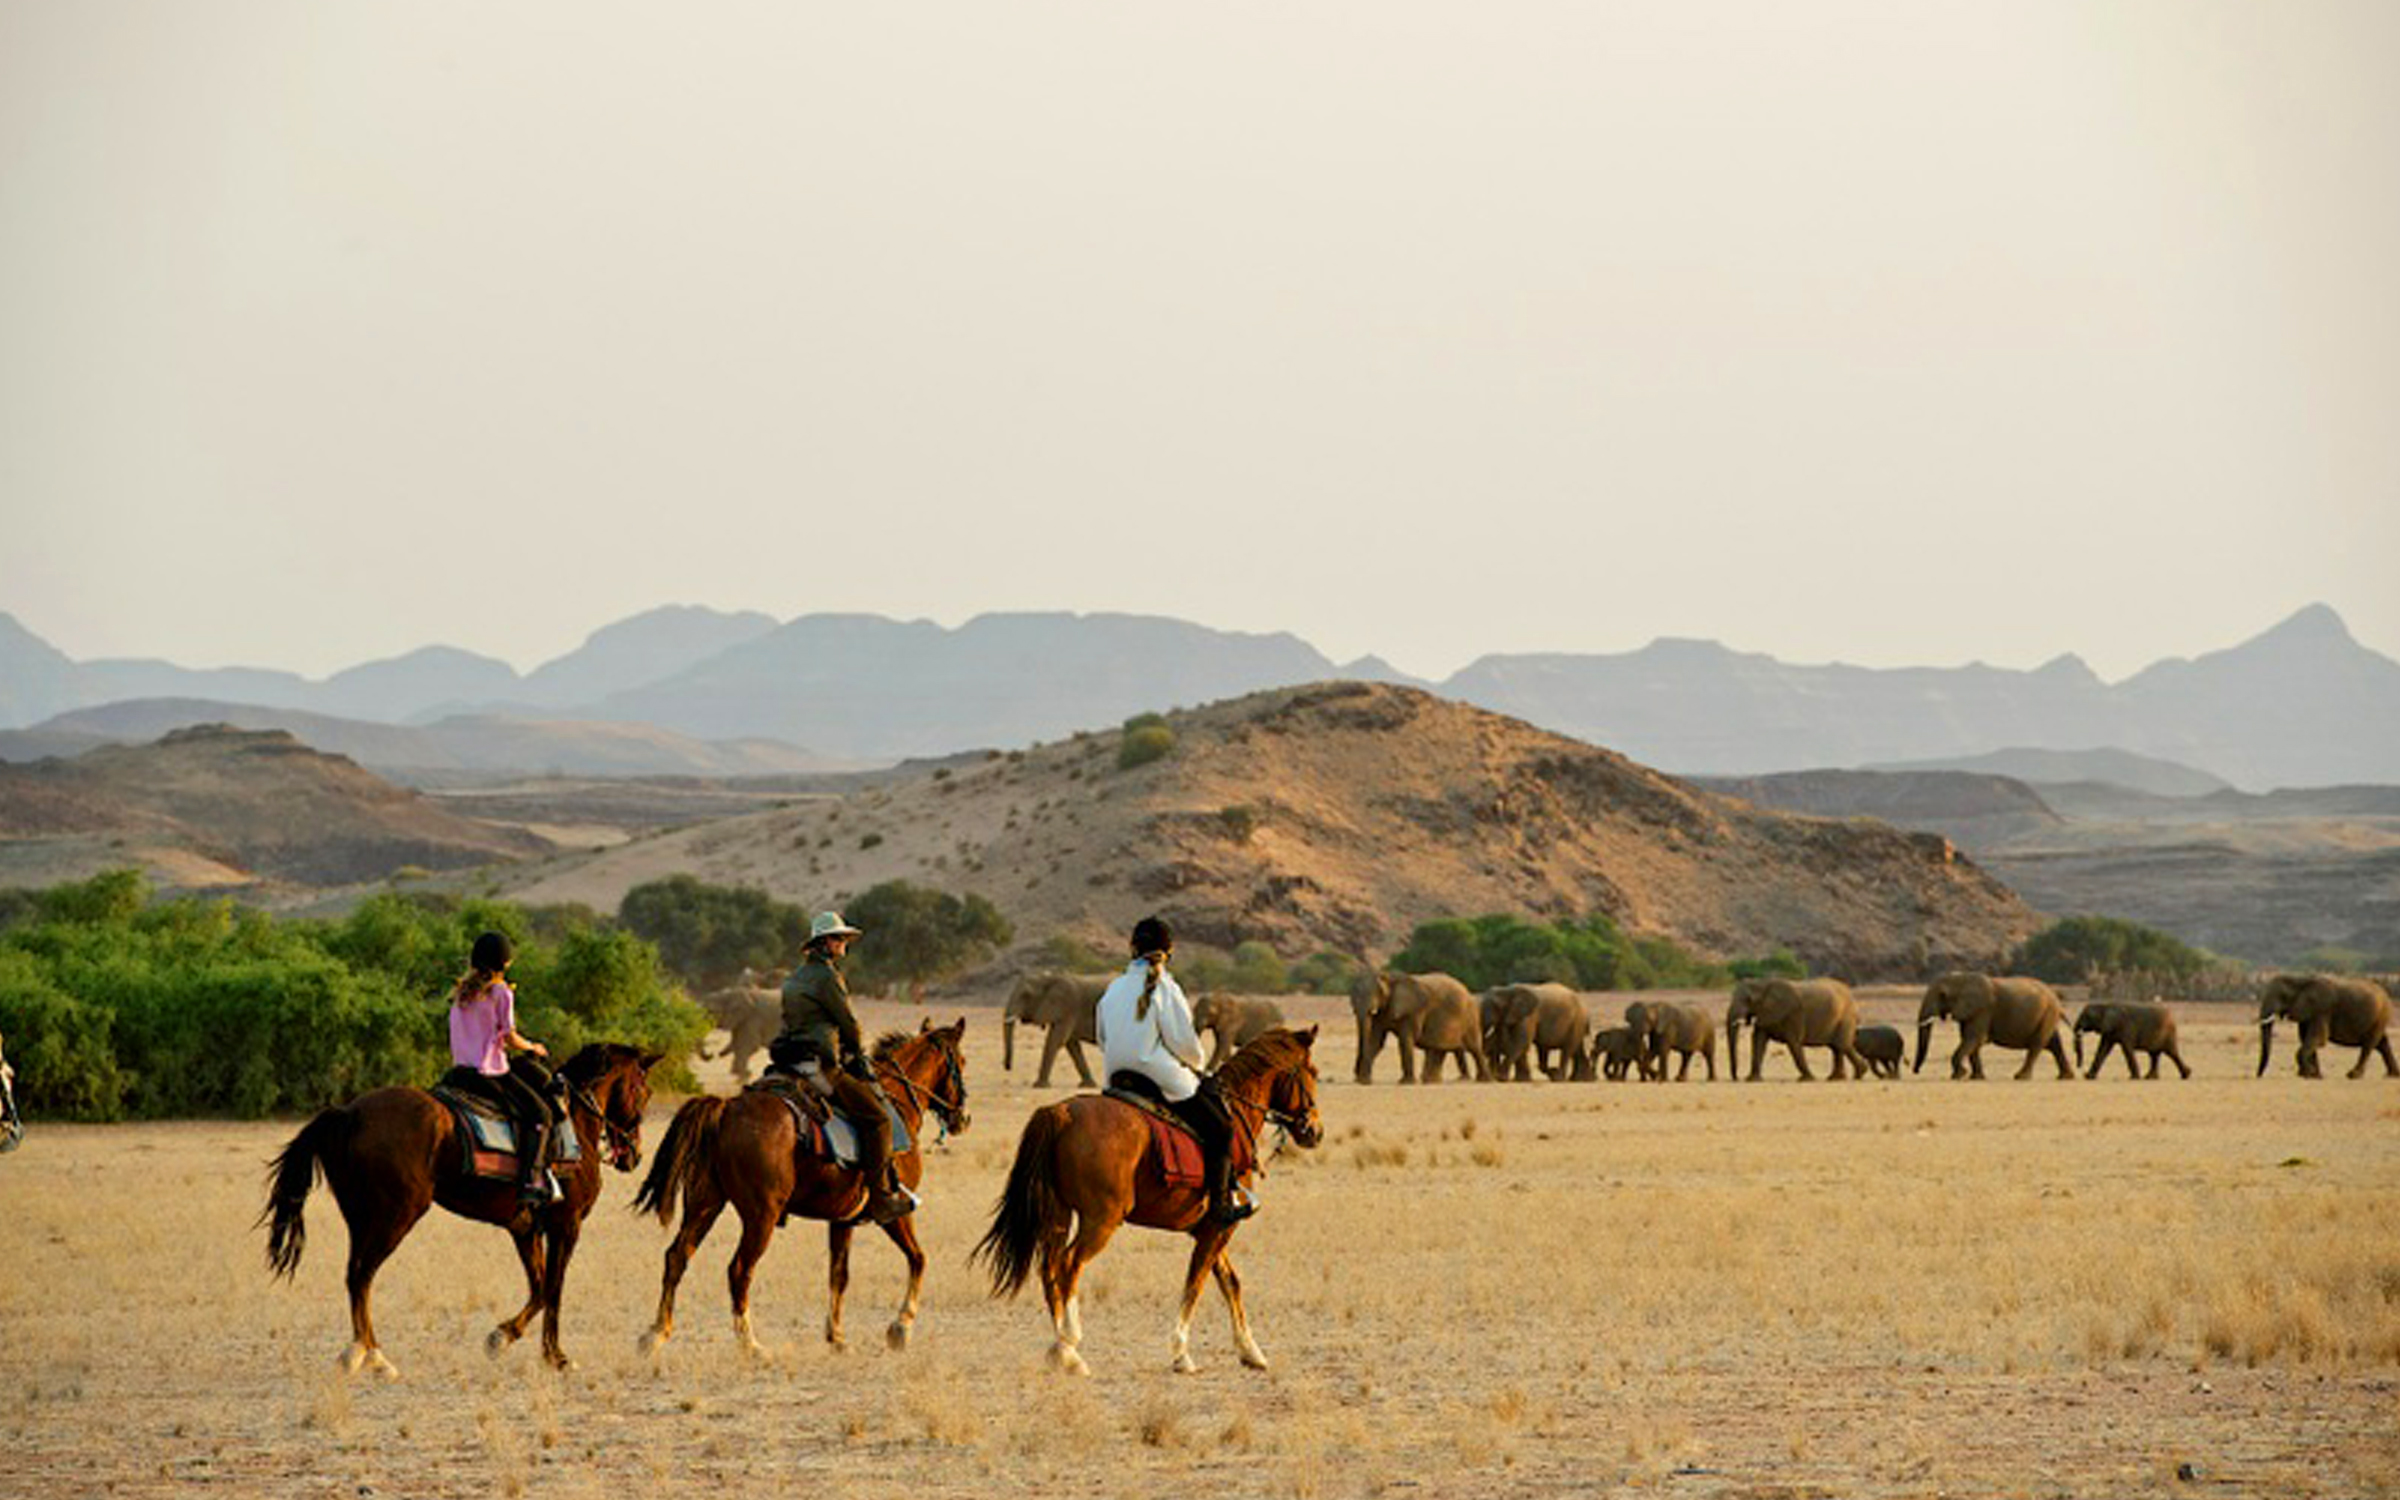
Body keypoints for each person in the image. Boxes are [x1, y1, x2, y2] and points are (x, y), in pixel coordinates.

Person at [1095, 915, 1252, 1223]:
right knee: (1221, 1128)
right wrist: (1198, 1068)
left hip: (1116, 1076)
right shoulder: (1166, 988)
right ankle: (1220, 1205)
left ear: (1132, 948)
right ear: (1169, 951)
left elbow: (1102, 1038)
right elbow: (1184, 1044)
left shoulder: (1112, 989)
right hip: (1156, 1078)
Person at [770, 911, 912, 1223]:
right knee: (877, 1120)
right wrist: (857, 1055)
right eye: (839, 938)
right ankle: (881, 1199)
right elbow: (848, 1023)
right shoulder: (828, 977)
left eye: (844, 938)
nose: (844, 943)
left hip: (790, 1062)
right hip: (821, 1066)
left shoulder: (794, 979)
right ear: (825, 943)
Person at [447, 931, 561, 1205]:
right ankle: (532, 1180)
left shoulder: (461, 991)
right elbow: (510, 1036)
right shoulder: (501, 992)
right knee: (541, 1114)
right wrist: (533, 1047)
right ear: (504, 963)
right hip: (489, 1072)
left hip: (458, 1072)